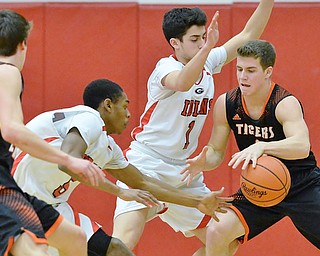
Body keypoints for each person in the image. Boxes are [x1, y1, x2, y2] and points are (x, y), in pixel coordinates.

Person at [112, 0, 274, 254]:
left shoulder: (207, 62)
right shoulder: (164, 68)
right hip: (147, 164)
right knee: (123, 243)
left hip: (184, 172)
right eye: (195, 39)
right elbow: (183, 82)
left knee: (224, 242)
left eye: (203, 37)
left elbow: (247, 35)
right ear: (175, 43)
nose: (201, 43)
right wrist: (208, 47)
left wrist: (268, 2)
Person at [12, 78, 233, 256]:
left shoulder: (107, 146)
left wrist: (197, 202)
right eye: (125, 106)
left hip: (50, 204)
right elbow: (68, 161)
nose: (128, 114)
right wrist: (118, 191)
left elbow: (143, 182)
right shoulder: (89, 118)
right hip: (16, 197)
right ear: (108, 105)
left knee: (116, 249)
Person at [181, 39, 320, 255]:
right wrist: (204, 162)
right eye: (239, 69)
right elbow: (216, 152)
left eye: (251, 70)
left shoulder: (284, 103)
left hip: (303, 185)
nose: (243, 76)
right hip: (259, 188)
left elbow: (301, 146)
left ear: (268, 72)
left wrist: (263, 147)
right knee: (216, 231)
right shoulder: (227, 103)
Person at [0, 9, 108, 256]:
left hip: (9, 185)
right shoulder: (8, 71)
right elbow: (12, 130)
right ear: (23, 44)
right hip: (2, 189)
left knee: (74, 238)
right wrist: (68, 159)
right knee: (33, 252)